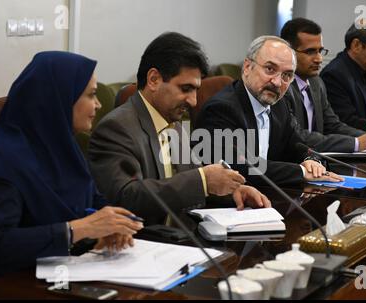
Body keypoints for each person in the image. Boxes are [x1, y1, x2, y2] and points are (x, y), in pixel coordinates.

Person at [88, 32, 270, 226]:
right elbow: (127, 198)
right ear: (154, 79)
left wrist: (231, 192)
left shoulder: (173, 124)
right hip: (147, 244)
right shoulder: (116, 128)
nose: (193, 102)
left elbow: (189, 186)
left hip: (184, 239)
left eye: (196, 90)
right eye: (185, 89)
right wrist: (203, 181)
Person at [0, 51, 143, 278]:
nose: (99, 104)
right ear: (59, 99)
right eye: (91, 95)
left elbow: (91, 200)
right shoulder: (5, 162)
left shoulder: (63, 147)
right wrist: (78, 230)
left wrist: (112, 224)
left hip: (71, 272)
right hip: (18, 283)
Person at [194, 35, 343, 186]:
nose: (277, 82)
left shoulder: (279, 104)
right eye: (270, 69)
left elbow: (295, 144)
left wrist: (310, 160)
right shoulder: (221, 109)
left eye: (287, 75)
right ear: (247, 67)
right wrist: (302, 172)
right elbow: (242, 168)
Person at [280, 18, 366, 152]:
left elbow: (332, 125)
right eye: (310, 52)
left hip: (316, 163)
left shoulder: (316, 83)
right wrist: (356, 143)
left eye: (320, 51)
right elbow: (298, 136)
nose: (319, 59)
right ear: (288, 51)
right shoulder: (281, 87)